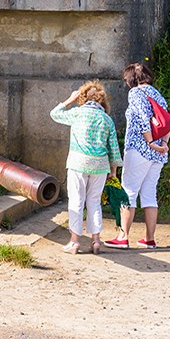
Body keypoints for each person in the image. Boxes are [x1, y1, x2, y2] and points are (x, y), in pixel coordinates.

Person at [49, 82, 122, 255]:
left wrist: (70, 99)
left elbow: (54, 114)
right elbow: (113, 148)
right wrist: (113, 171)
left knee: (76, 201)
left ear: (82, 97)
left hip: (78, 163)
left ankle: (74, 242)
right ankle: (96, 241)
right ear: (102, 100)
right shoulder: (107, 119)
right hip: (100, 165)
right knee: (94, 202)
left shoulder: (77, 113)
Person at [105, 61, 170, 249]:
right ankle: (149, 239)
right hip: (158, 153)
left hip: (139, 149)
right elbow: (169, 122)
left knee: (129, 191)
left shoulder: (135, 93)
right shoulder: (157, 94)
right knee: (150, 194)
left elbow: (143, 120)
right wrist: (163, 144)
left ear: (130, 80)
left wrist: (150, 142)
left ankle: (123, 237)